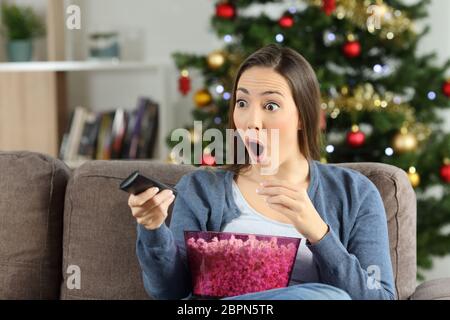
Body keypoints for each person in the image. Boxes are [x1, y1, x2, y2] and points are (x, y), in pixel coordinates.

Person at [128, 44, 396, 300]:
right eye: (242, 103)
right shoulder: (201, 188)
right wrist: (152, 230)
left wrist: (319, 233)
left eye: (270, 106)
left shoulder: (356, 193)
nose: (251, 121)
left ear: (302, 116)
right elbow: (169, 292)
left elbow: (378, 296)